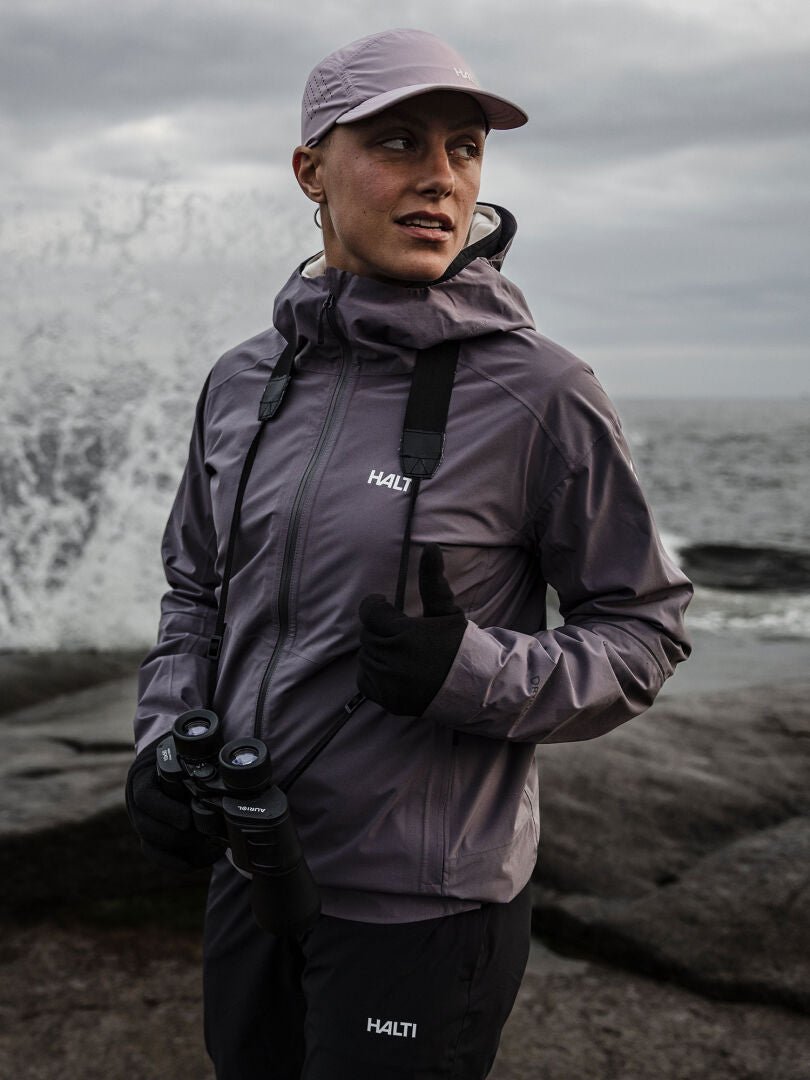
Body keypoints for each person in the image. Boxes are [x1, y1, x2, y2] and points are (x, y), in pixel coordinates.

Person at [125, 27, 692, 1080]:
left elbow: (646, 630)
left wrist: (471, 673)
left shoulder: (541, 393)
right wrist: (163, 741)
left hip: (426, 908)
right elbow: (195, 592)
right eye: (397, 142)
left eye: (466, 150)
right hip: (255, 871)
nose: (441, 179)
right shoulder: (243, 380)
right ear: (310, 170)